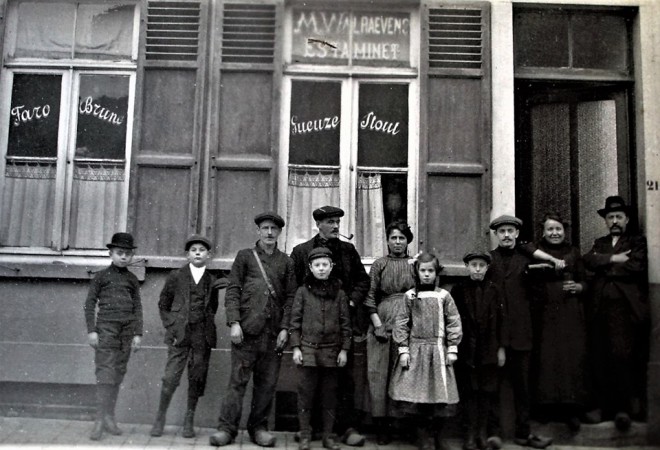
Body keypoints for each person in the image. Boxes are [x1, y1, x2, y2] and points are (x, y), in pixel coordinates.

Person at [210, 212, 297, 447]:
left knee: (267, 384)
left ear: (279, 232)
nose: (269, 233)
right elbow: (233, 290)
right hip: (246, 331)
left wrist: (285, 328)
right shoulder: (245, 257)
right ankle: (226, 429)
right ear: (258, 231)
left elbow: (291, 298)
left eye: (274, 229)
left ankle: (258, 428)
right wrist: (234, 322)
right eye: (265, 228)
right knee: (237, 383)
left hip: (273, 335)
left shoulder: (286, 262)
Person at [290, 206, 370, 446]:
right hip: (311, 332)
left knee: (342, 381)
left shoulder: (348, 250)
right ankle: (311, 430)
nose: (336, 226)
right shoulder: (302, 252)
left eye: (337, 222)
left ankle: (344, 428)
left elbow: (362, 280)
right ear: (318, 225)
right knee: (311, 384)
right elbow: (294, 290)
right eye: (331, 222)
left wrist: (351, 301)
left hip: (340, 329)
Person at [486, 215, 554, 449]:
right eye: (502, 231)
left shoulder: (526, 261)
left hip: (521, 333)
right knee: (492, 385)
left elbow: (538, 296)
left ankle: (523, 433)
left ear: (517, 234)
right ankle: (492, 433)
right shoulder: (489, 261)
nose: (506, 235)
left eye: (510, 231)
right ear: (496, 234)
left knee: (522, 386)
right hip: (494, 336)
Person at [583, 196, 648, 431]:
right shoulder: (599, 243)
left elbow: (635, 266)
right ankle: (604, 409)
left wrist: (605, 267)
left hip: (625, 311)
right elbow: (588, 260)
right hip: (600, 309)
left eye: (618, 216)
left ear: (627, 219)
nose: (614, 221)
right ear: (605, 221)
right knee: (600, 358)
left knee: (622, 357)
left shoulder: (637, 241)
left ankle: (624, 410)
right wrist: (614, 259)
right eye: (610, 217)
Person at [150, 234, 225, 438]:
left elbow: (213, 307)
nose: (198, 253)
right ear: (187, 255)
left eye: (202, 250)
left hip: (202, 335)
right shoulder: (176, 277)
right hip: (180, 335)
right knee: (170, 377)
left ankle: (188, 420)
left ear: (208, 255)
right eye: (194, 250)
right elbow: (163, 305)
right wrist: (172, 325)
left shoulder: (212, 280)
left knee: (197, 377)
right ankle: (160, 417)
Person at [389, 252, 462, 450]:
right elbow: (402, 323)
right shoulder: (410, 296)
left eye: (430, 271)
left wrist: (452, 347)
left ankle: (438, 436)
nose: (427, 275)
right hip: (416, 350)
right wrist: (403, 350)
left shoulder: (443, 296)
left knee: (438, 396)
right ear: (417, 272)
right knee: (418, 395)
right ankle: (423, 437)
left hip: (438, 350)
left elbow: (453, 321)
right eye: (423, 271)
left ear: (436, 273)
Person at [526, 214, 588, 432]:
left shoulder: (574, 252)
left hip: (569, 313)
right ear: (543, 232)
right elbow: (527, 249)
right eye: (550, 229)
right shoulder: (534, 250)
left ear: (565, 231)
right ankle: (545, 409)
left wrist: (579, 288)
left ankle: (571, 411)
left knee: (569, 358)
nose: (554, 233)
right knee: (546, 358)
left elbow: (585, 280)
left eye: (558, 229)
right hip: (543, 313)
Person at [290, 247, 352, 450]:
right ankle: (306, 435)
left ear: (331, 266)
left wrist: (344, 350)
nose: (321, 269)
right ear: (310, 267)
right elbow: (295, 322)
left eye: (325, 265)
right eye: (317, 265)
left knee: (329, 396)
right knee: (305, 394)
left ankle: (328, 436)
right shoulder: (302, 291)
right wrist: (296, 348)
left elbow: (345, 324)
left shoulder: (340, 293)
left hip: (331, 352)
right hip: (308, 351)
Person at [83, 232, 142, 441]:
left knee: (118, 373)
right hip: (106, 329)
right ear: (111, 253)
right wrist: (92, 330)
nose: (123, 257)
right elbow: (89, 304)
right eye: (119, 253)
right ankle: (99, 419)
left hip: (126, 331)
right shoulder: (101, 277)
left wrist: (137, 333)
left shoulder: (132, 280)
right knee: (105, 372)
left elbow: (137, 307)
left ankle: (110, 417)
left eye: (127, 253)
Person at [363, 221, 416, 445]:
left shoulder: (415, 264)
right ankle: (381, 426)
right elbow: (369, 297)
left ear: (408, 241)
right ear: (387, 240)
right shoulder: (379, 264)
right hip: (382, 321)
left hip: (408, 322)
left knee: (403, 371)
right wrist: (377, 326)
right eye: (393, 238)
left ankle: (401, 425)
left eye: (401, 238)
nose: (397, 242)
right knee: (379, 373)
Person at [452, 251, 505, 450]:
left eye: (481, 265)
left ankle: (482, 434)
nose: (477, 269)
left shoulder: (495, 290)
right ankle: (469, 435)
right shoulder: (458, 289)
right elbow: (453, 321)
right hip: (467, 351)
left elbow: (502, 321)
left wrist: (501, 349)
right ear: (466, 266)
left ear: (487, 267)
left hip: (488, 350)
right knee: (469, 394)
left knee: (486, 393)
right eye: (473, 264)